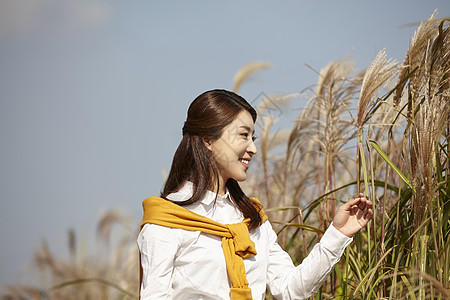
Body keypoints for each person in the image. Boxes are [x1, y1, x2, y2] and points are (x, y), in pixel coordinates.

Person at [138, 89, 373, 300]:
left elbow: (291, 289)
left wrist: (338, 233)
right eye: (243, 135)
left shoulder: (251, 218)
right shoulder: (168, 219)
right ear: (208, 140)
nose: (253, 148)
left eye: (253, 137)